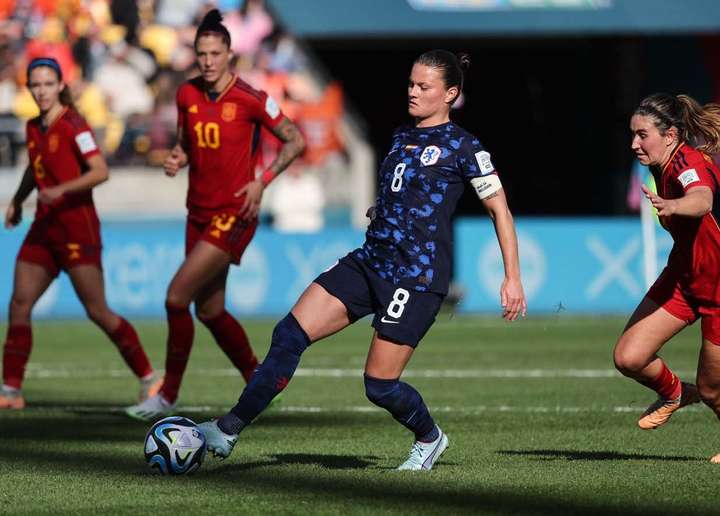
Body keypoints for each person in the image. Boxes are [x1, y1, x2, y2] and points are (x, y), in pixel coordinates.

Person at [197, 50, 528, 471]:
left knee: (379, 385)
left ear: (450, 93)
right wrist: (382, 211)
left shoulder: (465, 147)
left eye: (424, 87)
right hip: (370, 262)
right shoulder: (399, 136)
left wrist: (512, 277)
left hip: (416, 277)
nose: (412, 92)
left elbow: (500, 209)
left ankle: (429, 437)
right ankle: (227, 428)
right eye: (411, 83)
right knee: (289, 334)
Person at [125, 10, 305, 420]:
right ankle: (261, 380)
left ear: (229, 54)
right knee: (209, 311)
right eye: (201, 53)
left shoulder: (250, 98)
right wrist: (177, 157)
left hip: (234, 212)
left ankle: (166, 394)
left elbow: (293, 139)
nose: (207, 61)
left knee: (176, 297)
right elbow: (188, 144)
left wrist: (263, 180)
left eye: (215, 53)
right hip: (198, 213)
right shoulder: (186, 94)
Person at [614, 93, 720, 463]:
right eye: (633, 134)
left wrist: (674, 205)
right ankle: (675, 393)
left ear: (669, 135)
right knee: (629, 357)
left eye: (642, 135)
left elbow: (702, 199)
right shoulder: (660, 164)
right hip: (686, 276)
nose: (634, 143)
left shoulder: (686, 160)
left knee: (714, 391)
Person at [1, 57, 160, 409]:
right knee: (20, 303)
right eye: (35, 84)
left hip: (77, 227)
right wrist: (17, 200)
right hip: (44, 227)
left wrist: (62, 190)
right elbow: (34, 167)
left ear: (60, 85)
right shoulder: (32, 127)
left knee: (98, 310)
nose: (41, 90)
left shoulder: (75, 125)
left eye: (47, 83)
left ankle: (150, 378)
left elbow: (101, 171)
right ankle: (10, 390)